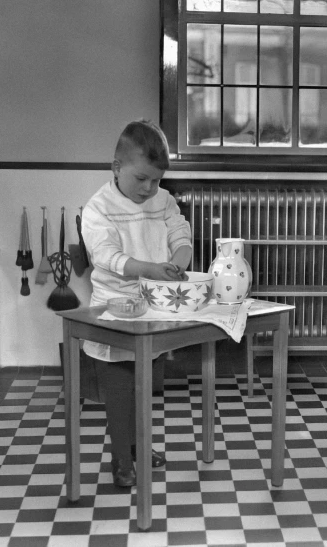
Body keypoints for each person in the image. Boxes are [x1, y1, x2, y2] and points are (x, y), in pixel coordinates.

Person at [81, 119, 192, 487]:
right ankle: (120, 459)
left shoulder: (162, 200)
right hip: (112, 312)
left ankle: (137, 447)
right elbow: (107, 257)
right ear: (116, 168)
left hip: (154, 309)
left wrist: (180, 260)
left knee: (144, 387)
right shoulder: (99, 208)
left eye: (157, 181)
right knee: (119, 390)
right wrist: (150, 269)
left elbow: (180, 230)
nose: (149, 188)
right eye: (141, 178)